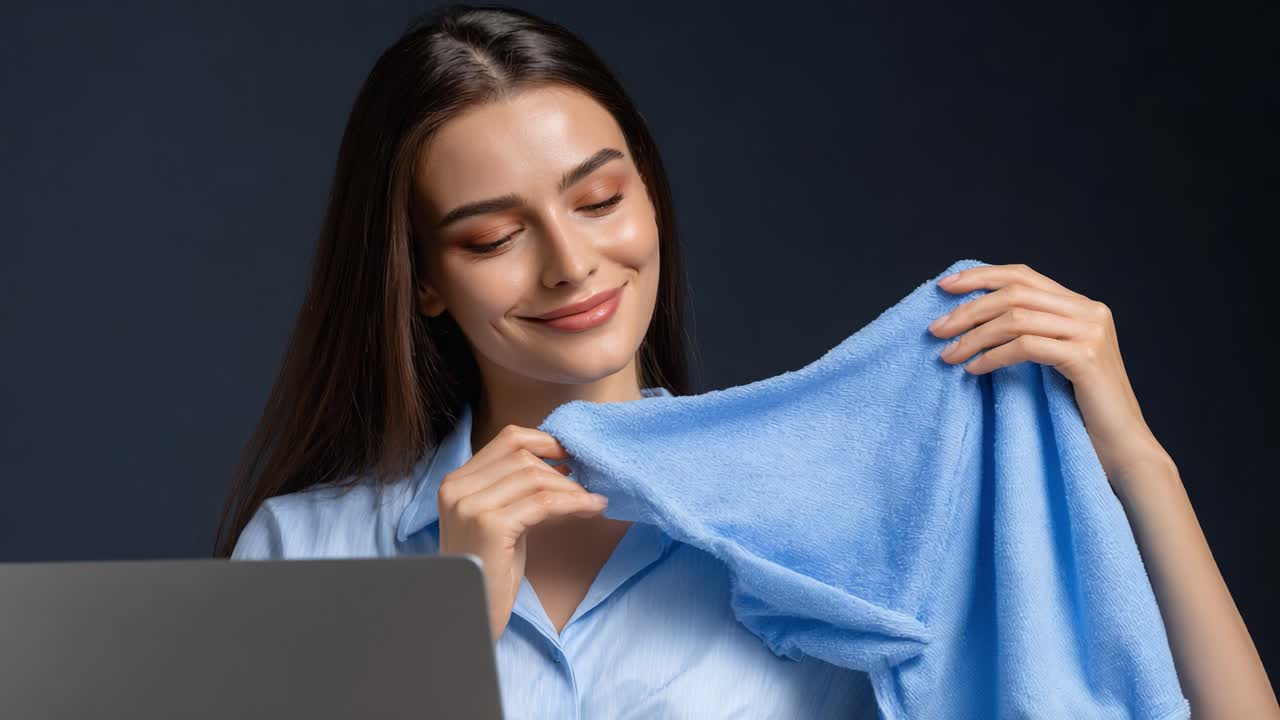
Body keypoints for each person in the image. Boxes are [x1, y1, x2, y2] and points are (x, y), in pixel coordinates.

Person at [214, 4, 1278, 718]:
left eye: (599, 198)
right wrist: (444, 623)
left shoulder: (824, 530)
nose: (571, 262)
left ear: (649, 194)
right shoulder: (304, 549)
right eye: (493, 237)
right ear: (422, 280)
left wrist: (1134, 459)